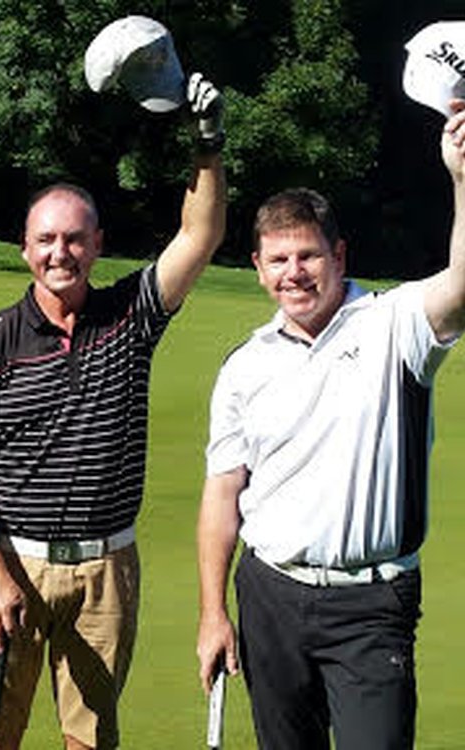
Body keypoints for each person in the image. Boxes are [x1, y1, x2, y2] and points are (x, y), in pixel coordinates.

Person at [0, 73, 226, 750]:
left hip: (106, 570)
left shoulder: (130, 316)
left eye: (73, 239)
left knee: (91, 739)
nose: (59, 253)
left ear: (97, 245)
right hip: (14, 563)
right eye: (45, 241)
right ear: (24, 250)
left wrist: (207, 143)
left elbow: (201, 233)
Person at [195, 99, 465, 749]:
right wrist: (213, 612)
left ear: (338, 254)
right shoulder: (243, 366)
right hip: (269, 596)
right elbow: (222, 495)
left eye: (308, 256)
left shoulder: (395, 325)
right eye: (279, 260)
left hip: (372, 604)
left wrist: (461, 177)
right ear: (258, 268)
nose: (295, 273)